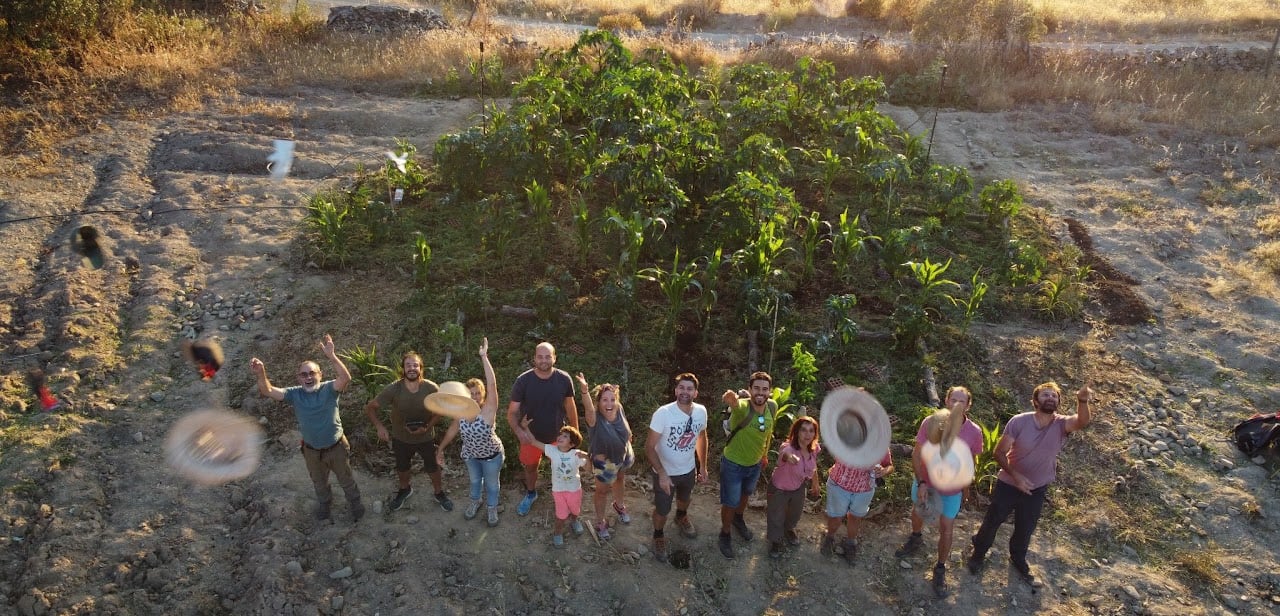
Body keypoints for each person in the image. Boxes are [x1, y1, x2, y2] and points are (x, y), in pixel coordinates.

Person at [967, 381, 1094, 586]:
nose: (1050, 398)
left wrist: (1082, 400)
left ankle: (1018, 558)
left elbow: (1082, 421)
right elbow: (999, 453)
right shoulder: (1019, 421)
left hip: (1037, 487)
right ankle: (978, 553)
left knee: (1026, 527)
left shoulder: (1062, 424)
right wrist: (1016, 476)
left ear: (1059, 402)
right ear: (1035, 401)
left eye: (1054, 396)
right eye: (1045, 395)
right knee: (992, 521)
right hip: (1009, 483)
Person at [250, 334, 363, 522]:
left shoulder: (329, 389)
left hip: (336, 448)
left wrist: (331, 356)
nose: (308, 377)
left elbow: (345, 378)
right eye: (304, 374)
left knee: (346, 479)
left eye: (312, 373)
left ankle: (355, 503)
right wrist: (261, 373)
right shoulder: (295, 394)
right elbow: (268, 391)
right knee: (319, 483)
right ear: (299, 378)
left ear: (320, 375)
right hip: (311, 451)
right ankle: (325, 505)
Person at [894, 386, 984, 597]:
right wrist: (922, 482)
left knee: (947, 527)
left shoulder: (974, 432)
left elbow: (971, 462)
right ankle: (916, 538)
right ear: (946, 401)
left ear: (968, 406)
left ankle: (940, 568)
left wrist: (966, 487)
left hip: (951, 490)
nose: (957, 405)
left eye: (962, 402)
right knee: (918, 512)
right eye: (954, 400)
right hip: (926, 482)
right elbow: (917, 455)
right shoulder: (931, 423)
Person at [364, 351, 453, 512]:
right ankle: (405, 490)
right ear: (403, 369)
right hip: (401, 438)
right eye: (408, 365)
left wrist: (427, 426)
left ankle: (439, 493)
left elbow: (441, 410)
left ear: (421, 368)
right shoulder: (393, 389)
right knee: (402, 467)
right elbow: (370, 408)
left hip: (425, 437)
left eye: (415, 365)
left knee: (432, 467)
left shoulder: (431, 388)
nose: (412, 368)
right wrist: (379, 426)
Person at [438, 337, 505, 526]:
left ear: (483, 394)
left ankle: (492, 508)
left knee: (492, 485)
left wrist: (484, 357)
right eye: (471, 393)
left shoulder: (488, 410)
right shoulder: (461, 411)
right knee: (475, 482)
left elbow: (492, 385)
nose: (474, 396)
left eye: (478, 393)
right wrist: (440, 449)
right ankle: (475, 502)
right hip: (471, 456)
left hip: (492, 456)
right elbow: (452, 430)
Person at [507, 342, 579, 517]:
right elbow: (512, 412)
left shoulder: (564, 379)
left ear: (554, 358)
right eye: (540, 356)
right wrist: (519, 432)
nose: (544, 360)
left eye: (548, 356)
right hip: (531, 436)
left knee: (563, 469)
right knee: (531, 467)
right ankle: (531, 493)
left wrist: (575, 435)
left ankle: (564, 498)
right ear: (534, 358)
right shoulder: (523, 381)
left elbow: (570, 407)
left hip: (559, 436)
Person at [645, 372, 709, 563]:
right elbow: (649, 447)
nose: (685, 391)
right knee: (662, 510)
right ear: (675, 390)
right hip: (665, 473)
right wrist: (662, 474)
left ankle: (681, 516)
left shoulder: (701, 411)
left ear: (695, 393)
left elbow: (701, 437)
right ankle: (658, 535)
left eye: (689, 388)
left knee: (685, 498)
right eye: (681, 387)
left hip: (688, 469)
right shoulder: (663, 414)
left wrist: (703, 466)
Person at [716, 371, 779, 559]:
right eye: (757, 388)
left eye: (765, 389)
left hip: (755, 464)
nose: (761, 392)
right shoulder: (742, 407)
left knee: (745, 495)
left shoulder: (772, 407)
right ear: (750, 389)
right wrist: (730, 399)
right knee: (730, 501)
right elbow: (735, 404)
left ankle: (738, 519)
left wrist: (765, 455)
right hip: (733, 465)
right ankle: (725, 533)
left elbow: (768, 433)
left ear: (770, 391)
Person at [575, 373, 634, 539]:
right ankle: (600, 521)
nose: (609, 403)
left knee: (620, 479)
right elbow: (587, 407)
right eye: (604, 400)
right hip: (605, 463)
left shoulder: (619, 408)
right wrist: (585, 391)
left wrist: (629, 436)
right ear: (598, 402)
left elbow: (625, 426)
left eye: (612, 399)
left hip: (623, 455)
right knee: (602, 492)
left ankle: (619, 505)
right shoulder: (594, 418)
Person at [821, 441, 893, 567]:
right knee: (836, 516)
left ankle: (850, 543)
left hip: (864, 489)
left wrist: (883, 471)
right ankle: (829, 537)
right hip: (839, 484)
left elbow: (890, 466)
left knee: (855, 517)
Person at [520, 419, 589, 547]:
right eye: (560, 435)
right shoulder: (552, 450)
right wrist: (525, 428)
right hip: (558, 491)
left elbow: (589, 469)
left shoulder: (576, 455)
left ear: (572, 444)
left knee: (575, 510)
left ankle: (574, 521)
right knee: (560, 515)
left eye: (565, 436)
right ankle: (557, 533)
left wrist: (586, 456)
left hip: (574, 490)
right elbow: (533, 441)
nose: (560, 437)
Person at [765, 415, 821, 558]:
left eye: (811, 431)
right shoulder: (788, 447)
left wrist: (815, 482)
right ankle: (775, 541)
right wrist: (789, 457)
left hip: (798, 487)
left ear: (815, 433)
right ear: (796, 432)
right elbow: (784, 454)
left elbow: (814, 466)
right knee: (776, 516)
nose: (807, 434)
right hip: (780, 488)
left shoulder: (814, 449)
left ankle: (789, 529)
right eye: (803, 430)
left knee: (795, 513)